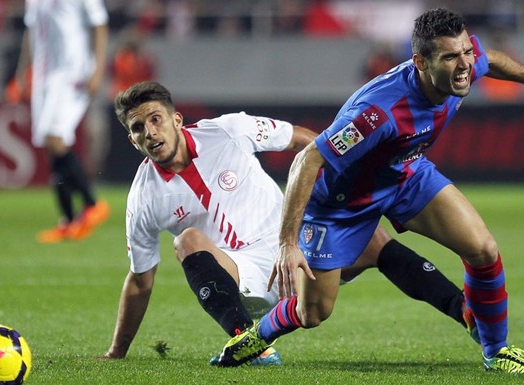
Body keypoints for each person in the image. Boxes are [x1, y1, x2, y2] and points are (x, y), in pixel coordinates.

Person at [214, 8, 524, 372]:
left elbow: (490, 59)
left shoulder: (462, 64)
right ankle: (255, 337)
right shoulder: (377, 113)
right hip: (342, 204)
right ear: (420, 61)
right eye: (451, 57)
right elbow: (307, 161)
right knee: (313, 311)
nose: (465, 64)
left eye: (466, 51)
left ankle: (496, 351)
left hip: (404, 175)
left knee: (482, 249)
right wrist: (287, 244)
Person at [101, 81, 478, 365]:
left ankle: (466, 312)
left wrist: (344, 176)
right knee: (187, 240)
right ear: (132, 140)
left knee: (373, 239)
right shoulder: (143, 197)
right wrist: (117, 350)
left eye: (155, 120)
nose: (150, 133)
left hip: (295, 245)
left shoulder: (229, 130)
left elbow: (303, 141)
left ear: (176, 119)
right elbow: (140, 279)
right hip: (244, 277)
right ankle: (249, 342)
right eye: (137, 128)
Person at [14, 0, 111, 243]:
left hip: (72, 72)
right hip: (44, 76)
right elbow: (31, 31)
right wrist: (22, 72)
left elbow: (99, 25)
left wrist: (98, 71)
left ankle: (92, 204)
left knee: (55, 138)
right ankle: (69, 221)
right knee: (50, 145)